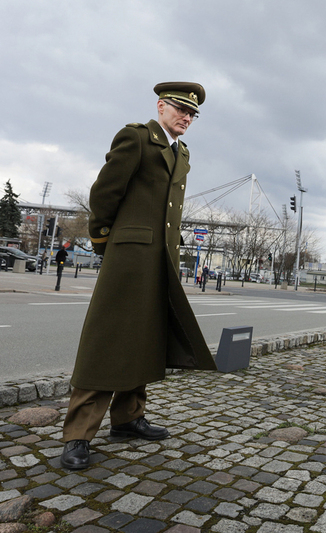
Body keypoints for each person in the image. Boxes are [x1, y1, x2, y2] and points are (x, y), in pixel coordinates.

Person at [60, 82, 217, 470]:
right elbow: (104, 194)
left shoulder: (181, 152)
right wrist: (104, 242)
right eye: (181, 109)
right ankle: (78, 435)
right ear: (161, 106)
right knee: (108, 338)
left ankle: (128, 419)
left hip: (159, 259)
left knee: (144, 337)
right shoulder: (136, 138)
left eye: (192, 113)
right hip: (128, 256)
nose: (187, 117)